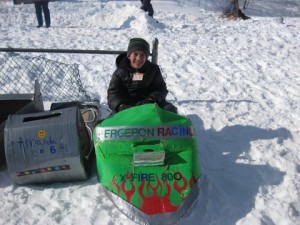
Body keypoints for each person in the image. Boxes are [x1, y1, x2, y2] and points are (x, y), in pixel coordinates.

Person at [107, 38, 177, 114]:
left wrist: (151, 99)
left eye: (142, 55)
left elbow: (161, 89)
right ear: (129, 55)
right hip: (126, 107)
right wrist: (120, 105)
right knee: (112, 118)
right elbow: (113, 93)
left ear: (146, 57)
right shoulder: (120, 72)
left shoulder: (153, 70)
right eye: (135, 54)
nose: (138, 58)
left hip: (150, 104)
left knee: (170, 110)